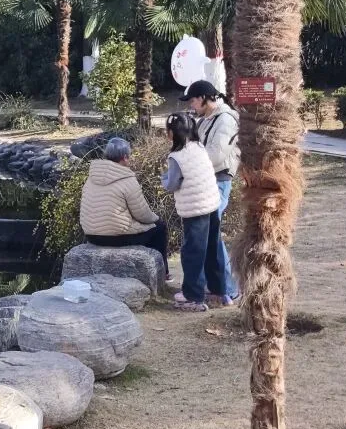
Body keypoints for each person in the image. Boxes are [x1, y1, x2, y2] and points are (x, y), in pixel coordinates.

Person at [181, 79, 241, 305]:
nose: (191, 105)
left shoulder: (225, 120)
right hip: (206, 180)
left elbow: (215, 155)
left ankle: (228, 288)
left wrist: (189, 163)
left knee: (212, 235)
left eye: (193, 101)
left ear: (204, 98)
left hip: (218, 181)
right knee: (208, 235)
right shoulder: (206, 120)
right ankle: (215, 286)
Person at [162, 112, 228, 312]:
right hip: (212, 204)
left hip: (195, 209)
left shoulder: (176, 156)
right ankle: (218, 291)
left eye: (167, 130)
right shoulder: (199, 147)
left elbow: (172, 184)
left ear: (173, 133)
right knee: (212, 248)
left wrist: (163, 179)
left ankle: (192, 296)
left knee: (193, 252)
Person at [79, 137, 169, 278]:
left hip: (91, 235)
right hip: (116, 237)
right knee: (159, 228)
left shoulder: (91, 177)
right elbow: (142, 214)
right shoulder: (127, 179)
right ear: (125, 157)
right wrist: (156, 219)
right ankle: (162, 274)